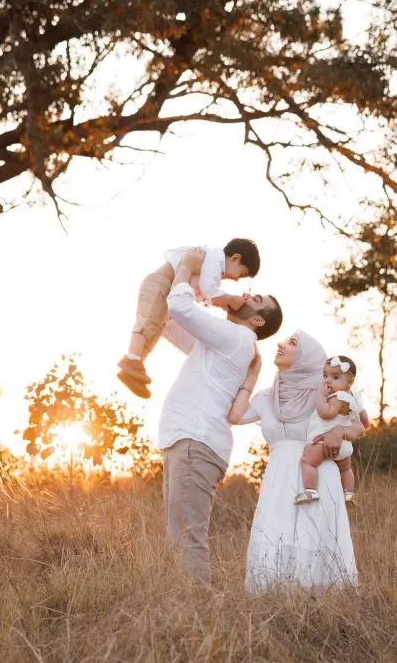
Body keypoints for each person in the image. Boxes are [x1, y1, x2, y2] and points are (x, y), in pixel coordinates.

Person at [158, 248, 281, 584]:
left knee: (187, 537)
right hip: (187, 439)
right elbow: (170, 324)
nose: (244, 294)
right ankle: (192, 615)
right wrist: (198, 287)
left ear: (256, 320)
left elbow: (179, 308)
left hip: (195, 441)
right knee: (181, 534)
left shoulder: (239, 337)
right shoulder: (222, 342)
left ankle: (200, 617)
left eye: (254, 298)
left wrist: (185, 267)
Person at [228, 330, 367, 592]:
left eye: (292, 343)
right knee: (275, 540)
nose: (281, 344)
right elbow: (235, 416)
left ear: (307, 356)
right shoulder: (269, 397)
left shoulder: (327, 393)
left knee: (313, 541)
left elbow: (359, 426)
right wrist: (252, 375)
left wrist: (340, 431)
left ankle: (320, 618)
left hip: (316, 477)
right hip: (278, 480)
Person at [118, 238, 261, 399]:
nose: (236, 280)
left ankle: (134, 365)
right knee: (148, 322)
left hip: (166, 292)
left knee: (154, 331)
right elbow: (208, 290)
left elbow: (202, 293)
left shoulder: (213, 268)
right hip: (160, 284)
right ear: (235, 258)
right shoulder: (214, 258)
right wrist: (229, 299)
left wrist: (220, 302)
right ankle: (132, 359)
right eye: (241, 274)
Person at [295, 355, 363, 507]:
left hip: (324, 443)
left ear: (349, 383)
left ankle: (311, 489)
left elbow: (326, 413)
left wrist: (320, 395)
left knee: (307, 461)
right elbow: (362, 420)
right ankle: (348, 493)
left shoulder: (338, 397)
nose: (327, 380)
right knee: (345, 467)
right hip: (344, 445)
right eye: (325, 376)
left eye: (335, 377)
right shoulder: (351, 400)